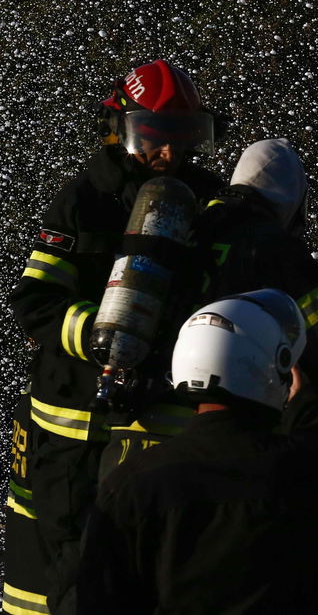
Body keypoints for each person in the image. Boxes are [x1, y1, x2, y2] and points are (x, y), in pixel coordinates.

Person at [5, 59, 225, 614]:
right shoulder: (86, 200)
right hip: (72, 431)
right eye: (154, 137)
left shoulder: (211, 206)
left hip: (161, 426)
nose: (170, 154)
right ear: (120, 129)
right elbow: (34, 300)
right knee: (62, 570)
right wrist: (104, 333)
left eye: (182, 138)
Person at [75, 289, 318, 614]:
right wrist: (308, 410)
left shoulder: (129, 484)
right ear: (276, 370)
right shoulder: (304, 468)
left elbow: (98, 600)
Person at [195, 138, 318, 450]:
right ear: (289, 197)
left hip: (177, 401)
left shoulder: (194, 225)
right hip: (250, 409)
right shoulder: (275, 247)